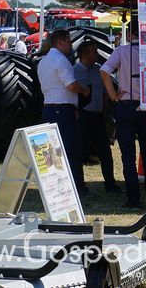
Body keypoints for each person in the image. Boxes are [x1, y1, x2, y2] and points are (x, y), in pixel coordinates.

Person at [100, 16, 146, 208]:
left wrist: (112, 96)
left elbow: (104, 71)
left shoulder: (121, 51)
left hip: (125, 105)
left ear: (130, 32)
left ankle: (133, 198)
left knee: (128, 156)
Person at [37, 29, 91, 194]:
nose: (70, 45)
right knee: (70, 150)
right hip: (63, 109)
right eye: (68, 42)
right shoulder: (61, 60)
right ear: (60, 42)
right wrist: (84, 91)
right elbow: (71, 85)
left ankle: (54, 187)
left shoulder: (43, 61)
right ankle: (76, 187)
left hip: (49, 108)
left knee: (51, 152)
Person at [74, 41, 119, 193]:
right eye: (94, 52)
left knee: (105, 151)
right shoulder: (73, 72)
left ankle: (110, 185)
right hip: (82, 117)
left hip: (98, 117)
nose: (97, 55)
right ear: (85, 55)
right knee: (78, 151)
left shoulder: (99, 71)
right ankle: (79, 186)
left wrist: (104, 111)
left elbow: (105, 94)